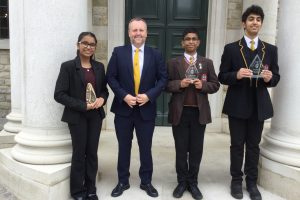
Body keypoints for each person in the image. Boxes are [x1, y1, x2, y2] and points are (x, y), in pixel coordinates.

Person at [218, 5, 280, 200]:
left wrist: (270, 78)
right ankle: (236, 181)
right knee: (236, 145)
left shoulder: (270, 49)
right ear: (243, 23)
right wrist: (235, 74)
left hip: (259, 106)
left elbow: (276, 77)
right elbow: (221, 76)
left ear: (261, 24)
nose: (255, 22)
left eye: (258, 19)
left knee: (253, 146)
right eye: (251, 19)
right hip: (237, 105)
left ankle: (251, 182)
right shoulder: (231, 49)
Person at [106, 18, 167, 198]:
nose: (138, 33)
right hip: (123, 110)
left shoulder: (155, 54)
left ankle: (146, 181)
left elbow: (163, 79)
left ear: (146, 33)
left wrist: (149, 96)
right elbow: (111, 77)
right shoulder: (118, 52)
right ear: (129, 33)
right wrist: (124, 95)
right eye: (134, 30)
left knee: (145, 147)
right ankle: (122, 181)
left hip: (146, 110)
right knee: (124, 147)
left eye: (141, 30)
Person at [166, 28, 219, 200]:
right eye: (187, 39)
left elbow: (215, 85)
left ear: (198, 42)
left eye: (194, 39)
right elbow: (165, 85)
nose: (190, 41)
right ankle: (182, 182)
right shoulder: (173, 63)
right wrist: (179, 84)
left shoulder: (207, 62)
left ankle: (193, 182)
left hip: (199, 113)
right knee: (181, 150)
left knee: (196, 150)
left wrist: (202, 86)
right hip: (180, 112)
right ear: (182, 42)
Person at [54, 32, 109, 200]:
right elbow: (59, 94)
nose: (88, 47)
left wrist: (102, 99)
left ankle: (91, 188)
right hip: (77, 116)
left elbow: (104, 91)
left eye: (92, 44)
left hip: (95, 117)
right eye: (85, 43)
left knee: (92, 152)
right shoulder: (68, 67)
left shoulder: (99, 67)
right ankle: (77, 191)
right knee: (79, 153)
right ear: (78, 45)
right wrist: (83, 105)